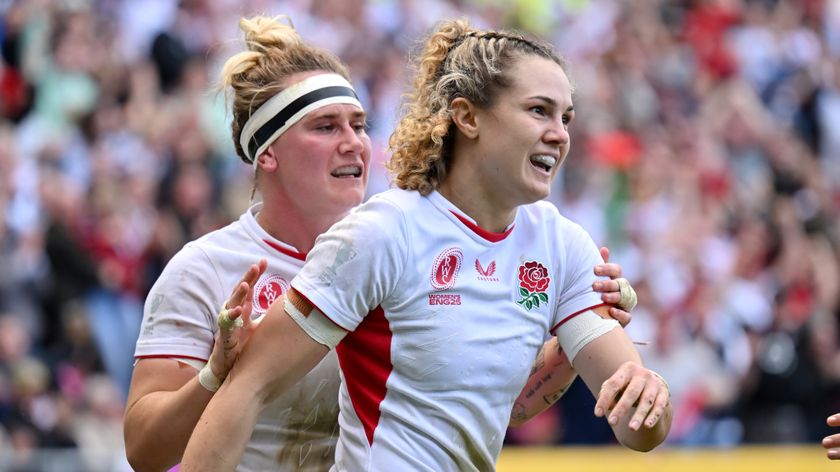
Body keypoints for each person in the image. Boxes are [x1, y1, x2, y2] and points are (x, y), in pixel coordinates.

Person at [123, 15, 637, 472]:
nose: (354, 142)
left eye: (360, 125)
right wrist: (215, 374)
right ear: (268, 155)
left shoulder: (392, 242)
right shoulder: (207, 268)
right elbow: (145, 452)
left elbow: (486, 402)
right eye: (326, 127)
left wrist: (578, 331)